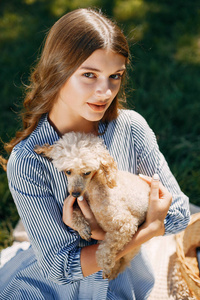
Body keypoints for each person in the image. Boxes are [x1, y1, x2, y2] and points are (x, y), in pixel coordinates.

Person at [0, 8, 190, 300]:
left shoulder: (131, 128)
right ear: (58, 70)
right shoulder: (28, 160)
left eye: (115, 76)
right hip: (45, 291)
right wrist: (148, 228)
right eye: (89, 75)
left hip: (122, 285)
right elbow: (58, 267)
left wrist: (106, 232)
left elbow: (177, 214)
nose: (105, 91)